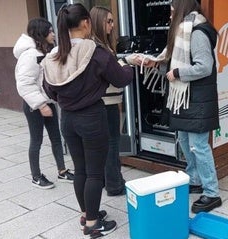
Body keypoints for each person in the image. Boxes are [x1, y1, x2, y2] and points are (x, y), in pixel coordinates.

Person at [41, 3, 133, 238]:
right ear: (86, 22)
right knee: (95, 174)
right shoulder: (96, 53)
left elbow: (49, 91)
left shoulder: (54, 55)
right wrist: (128, 65)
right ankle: (92, 224)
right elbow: (121, 79)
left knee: (80, 170)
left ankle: (86, 212)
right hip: (92, 117)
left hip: (67, 119)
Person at [143, 0, 222, 213]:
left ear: (181, 10)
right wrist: (157, 63)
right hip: (187, 99)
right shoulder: (184, 31)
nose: (170, 15)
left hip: (197, 99)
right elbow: (175, 58)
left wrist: (177, 73)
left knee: (198, 145)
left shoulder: (196, 32)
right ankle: (195, 179)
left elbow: (204, 67)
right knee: (186, 141)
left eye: (171, 10)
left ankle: (212, 192)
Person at [13, 18, 74, 190]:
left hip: (47, 102)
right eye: (50, 31)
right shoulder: (30, 55)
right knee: (37, 140)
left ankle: (62, 171)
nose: (53, 34)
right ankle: (36, 176)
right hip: (35, 106)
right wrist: (41, 105)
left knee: (56, 138)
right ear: (41, 33)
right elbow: (24, 84)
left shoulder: (43, 51)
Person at [90, 6, 139, 197]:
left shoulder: (95, 45)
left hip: (102, 102)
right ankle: (114, 184)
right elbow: (116, 76)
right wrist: (127, 64)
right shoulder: (100, 47)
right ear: (98, 22)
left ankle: (109, 180)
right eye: (108, 21)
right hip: (107, 102)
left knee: (105, 144)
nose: (112, 25)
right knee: (112, 144)